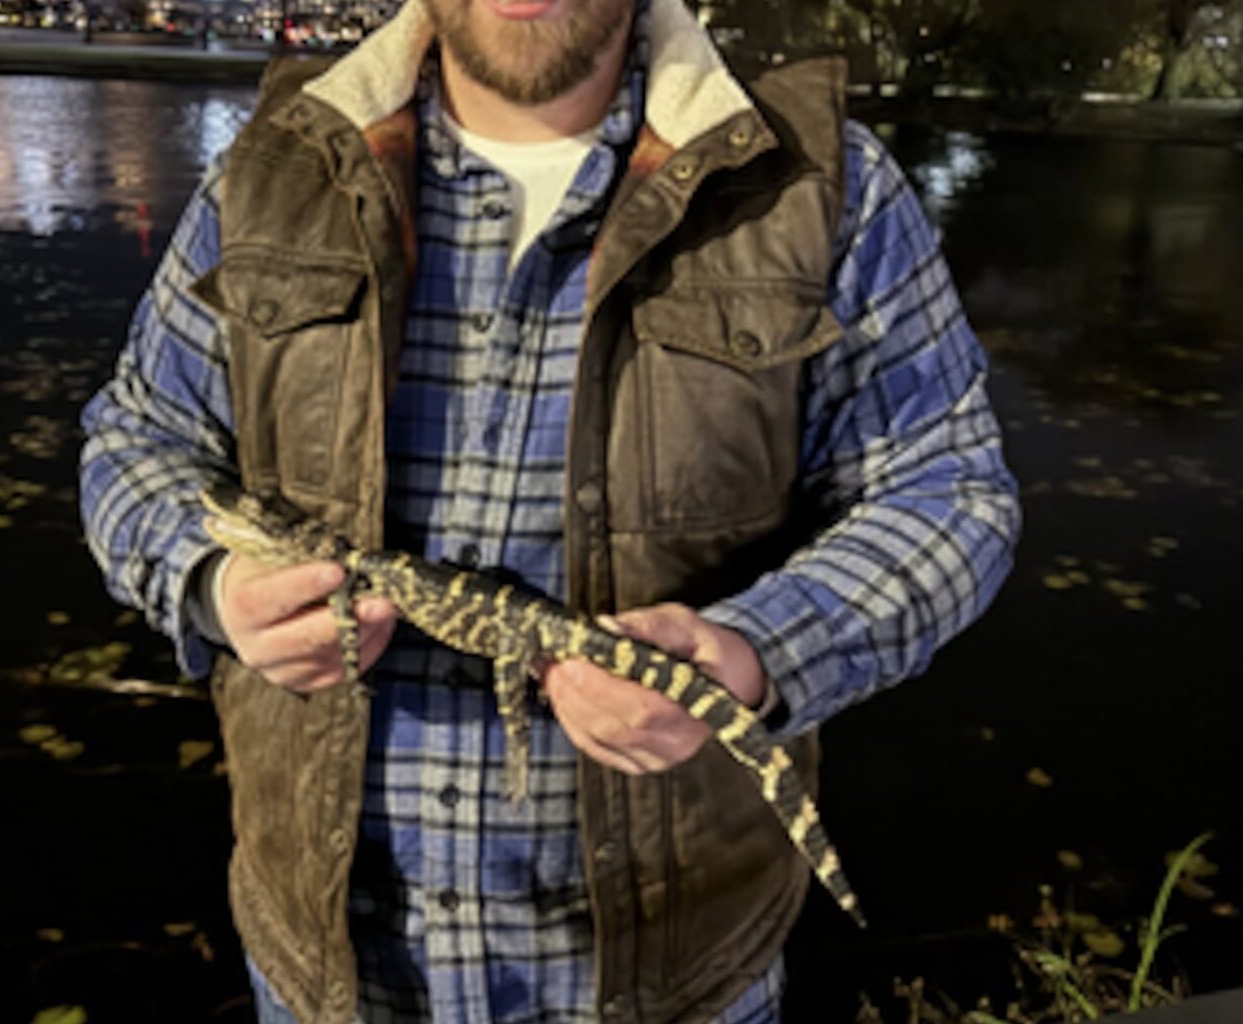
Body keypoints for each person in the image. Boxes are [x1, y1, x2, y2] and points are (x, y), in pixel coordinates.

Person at [79, 0, 1020, 1021]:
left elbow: (950, 492)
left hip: (674, 979)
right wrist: (212, 583)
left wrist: (755, 655)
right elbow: (137, 441)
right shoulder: (268, 170)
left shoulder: (821, 184)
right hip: (328, 970)